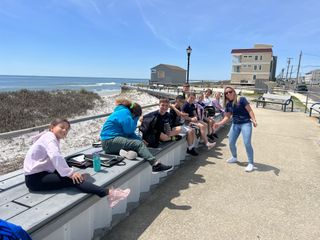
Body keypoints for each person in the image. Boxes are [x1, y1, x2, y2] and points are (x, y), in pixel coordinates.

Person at [24, 118, 130, 208]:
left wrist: (68, 171)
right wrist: (70, 173)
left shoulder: (49, 137)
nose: (65, 130)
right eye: (62, 127)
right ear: (52, 127)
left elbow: (53, 159)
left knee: (69, 167)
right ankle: (109, 193)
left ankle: (102, 190)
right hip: (35, 179)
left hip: (40, 173)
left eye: (67, 129)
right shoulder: (50, 138)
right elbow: (55, 156)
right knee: (73, 180)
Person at [100, 99, 172, 172]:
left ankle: (124, 152)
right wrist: (135, 120)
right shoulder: (125, 113)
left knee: (136, 149)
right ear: (134, 114)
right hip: (109, 141)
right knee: (138, 144)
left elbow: (130, 133)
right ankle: (156, 165)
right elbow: (129, 130)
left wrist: (141, 140)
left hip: (111, 142)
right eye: (137, 117)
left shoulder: (123, 112)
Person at [214, 87, 258, 172]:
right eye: (226, 93)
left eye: (230, 92)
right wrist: (218, 124)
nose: (228, 94)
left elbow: (250, 110)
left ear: (234, 92)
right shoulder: (228, 104)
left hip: (245, 123)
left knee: (247, 143)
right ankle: (234, 157)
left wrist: (254, 120)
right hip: (235, 124)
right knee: (231, 142)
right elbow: (227, 117)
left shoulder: (241, 99)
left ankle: (251, 163)